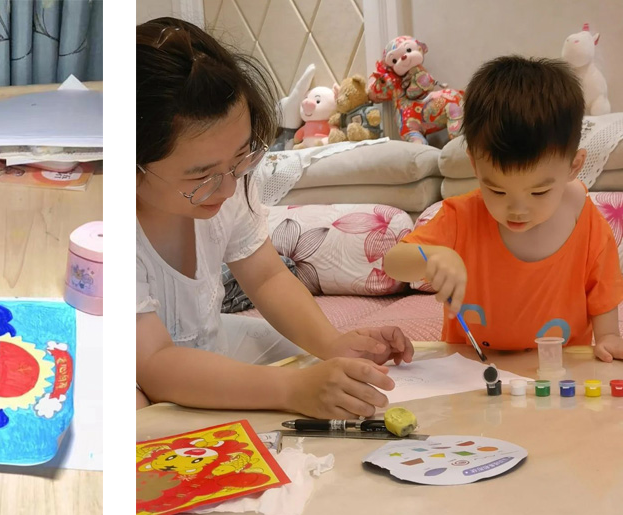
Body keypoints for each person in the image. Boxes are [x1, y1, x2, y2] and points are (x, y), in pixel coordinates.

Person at [135, 17, 415, 417]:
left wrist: (333, 345)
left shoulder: (230, 183)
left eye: (241, 158)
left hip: (206, 343)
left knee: (305, 358)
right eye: (201, 177)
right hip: (139, 365)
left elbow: (267, 277)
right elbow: (156, 363)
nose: (229, 189)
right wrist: (292, 390)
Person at [383, 56, 623, 361]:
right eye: (497, 190)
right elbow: (393, 263)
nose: (517, 209)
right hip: (472, 370)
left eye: (539, 191)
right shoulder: (461, 217)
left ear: (574, 166)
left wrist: (609, 338)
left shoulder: (588, 224)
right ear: (475, 165)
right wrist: (433, 257)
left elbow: (603, 295)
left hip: (559, 371)